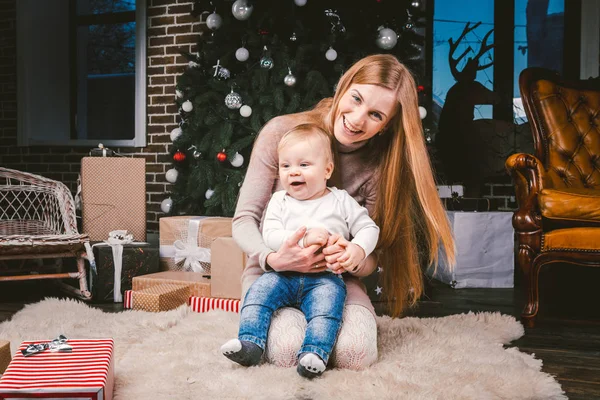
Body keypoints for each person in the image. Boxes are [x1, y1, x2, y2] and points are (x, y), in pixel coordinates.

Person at [232, 54, 456, 370]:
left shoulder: (380, 168)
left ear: (386, 125)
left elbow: (370, 254)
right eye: (356, 98)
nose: (357, 118)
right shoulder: (281, 133)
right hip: (272, 274)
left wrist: (351, 256)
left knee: (354, 355)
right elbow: (244, 220)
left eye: (375, 114)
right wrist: (272, 258)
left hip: (334, 280)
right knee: (285, 352)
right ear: (344, 86)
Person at [221, 125, 380, 379]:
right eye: (286, 166)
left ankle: (314, 353)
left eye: (304, 165)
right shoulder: (280, 201)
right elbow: (270, 235)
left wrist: (357, 249)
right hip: (283, 275)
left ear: (327, 170)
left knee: (327, 311)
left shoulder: (340, 200)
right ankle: (250, 343)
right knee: (258, 295)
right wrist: (304, 239)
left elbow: (369, 228)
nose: (293, 171)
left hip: (325, 279)